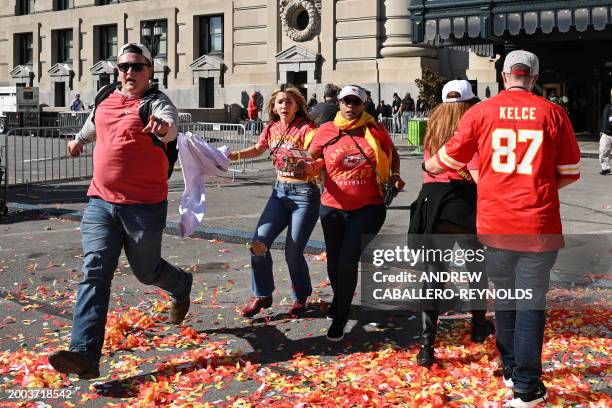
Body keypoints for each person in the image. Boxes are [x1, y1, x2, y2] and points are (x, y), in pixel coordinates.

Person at [424, 50, 580, 407]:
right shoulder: (553, 113)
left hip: (495, 224)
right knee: (529, 306)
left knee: (506, 300)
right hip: (537, 224)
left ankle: (512, 371)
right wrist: (536, 187)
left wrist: (431, 162)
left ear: (504, 75)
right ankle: (526, 387)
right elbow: (570, 173)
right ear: (535, 77)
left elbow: (446, 160)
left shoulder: (481, 112)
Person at [49, 43, 192, 379]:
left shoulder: (155, 103)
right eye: (124, 66)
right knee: (95, 271)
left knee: (147, 271)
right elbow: (94, 123)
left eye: (137, 67)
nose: (130, 72)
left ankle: (181, 284)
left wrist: (163, 128)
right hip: (100, 202)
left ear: (150, 72)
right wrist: (78, 141)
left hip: (143, 208)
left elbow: (170, 125)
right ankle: (85, 354)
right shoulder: (105, 96)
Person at [308, 85, 405, 341]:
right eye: (346, 101)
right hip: (332, 207)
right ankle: (342, 300)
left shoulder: (375, 129)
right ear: (338, 103)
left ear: (364, 105)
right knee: (334, 260)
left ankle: (340, 315)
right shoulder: (326, 130)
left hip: (369, 207)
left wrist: (394, 175)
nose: (350, 106)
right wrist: (310, 166)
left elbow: (392, 154)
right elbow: (312, 158)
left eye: (356, 102)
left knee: (347, 259)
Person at [408, 80, 494, 368]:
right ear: (470, 102)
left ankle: (425, 346)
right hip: (464, 199)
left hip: (433, 201)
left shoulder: (434, 126)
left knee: (433, 276)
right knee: (476, 268)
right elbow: (478, 167)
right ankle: (479, 325)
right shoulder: (473, 125)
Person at [229, 84, 320, 318]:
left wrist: (311, 163)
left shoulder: (307, 129)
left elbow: (316, 153)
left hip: (304, 196)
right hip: (279, 193)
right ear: (273, 106)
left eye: (289, 102)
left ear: (298, 105)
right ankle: (262, 294)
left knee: (293, 252)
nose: (284, 106)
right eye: (280, 102)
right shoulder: (271, 128)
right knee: (258, 244)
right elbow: (259, 149)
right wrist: (234, 156)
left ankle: (300, 297)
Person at [598, 91, 612, 175]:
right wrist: (601, 130)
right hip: (606, 133)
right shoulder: (607, 106)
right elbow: (603, 119)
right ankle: (605, 168)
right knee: (603, 151)